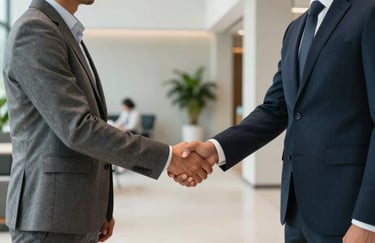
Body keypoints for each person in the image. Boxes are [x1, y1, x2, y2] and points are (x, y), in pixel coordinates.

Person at [2, 0, 213, 242]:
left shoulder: (61, 30)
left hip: (73, 212)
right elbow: (78, 128)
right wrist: (168, 157)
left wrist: (100, 207)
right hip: (49, 216)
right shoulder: (36, 31)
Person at [173, 0, 375, 242]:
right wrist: (215, 148)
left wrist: (367, 220)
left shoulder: (368, 11)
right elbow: (275, 109)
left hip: (347, 207)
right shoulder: (295, 29)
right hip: (295, 207)